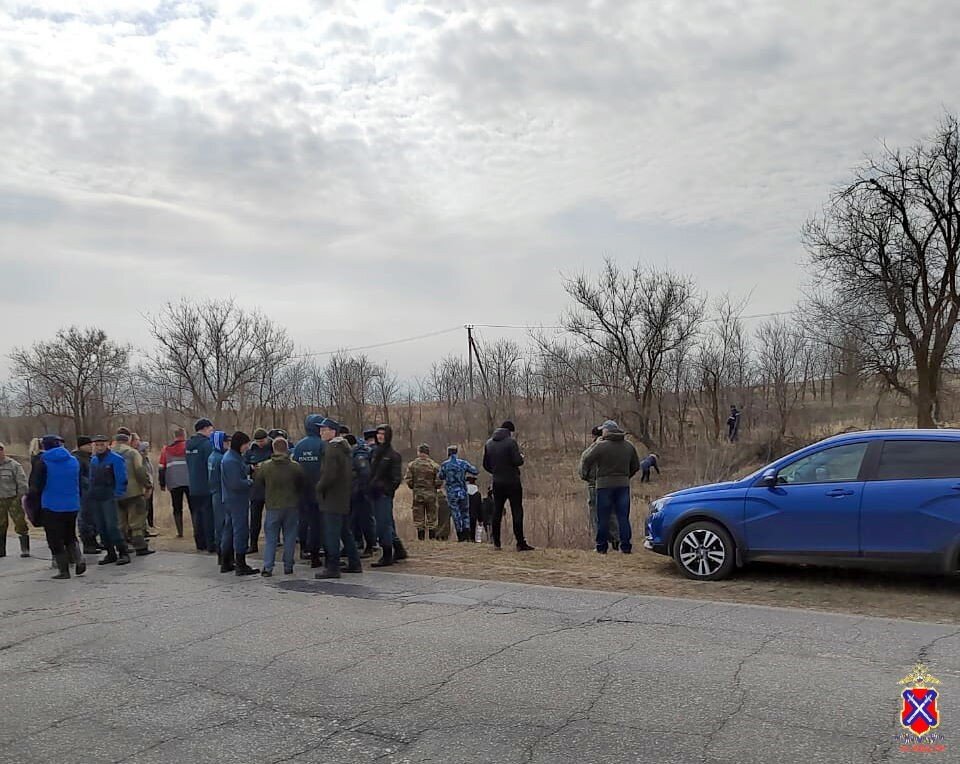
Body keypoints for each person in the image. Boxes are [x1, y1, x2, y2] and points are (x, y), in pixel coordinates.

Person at [579, 420, 639, 554]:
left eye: (603, 430)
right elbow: (636, 466)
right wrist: (625, 476)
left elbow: (586, 458)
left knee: (603, 517)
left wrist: (589, 476)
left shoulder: (601, 446)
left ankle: (601, 546)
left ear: (607, 431)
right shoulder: (629, 446)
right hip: (623, 485)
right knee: (623, 517)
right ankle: (626, 547)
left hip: (604, 486)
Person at [28, 435, 83, 579]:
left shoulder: (43, 462)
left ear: (45, 446)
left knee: (54, 538)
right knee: (70, 534)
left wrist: (31, 504)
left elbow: (35, 487)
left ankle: (63, 570)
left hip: (51, 505)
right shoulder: (73, 460)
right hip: (72, 504)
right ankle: (79, 559)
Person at [315, 419, 362, 579]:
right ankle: (355, 563)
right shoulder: (343, 448)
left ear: (333, 432)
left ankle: (333, 567)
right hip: (342, 495)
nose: (321, 432)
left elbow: (329, 475)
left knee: (332, 533)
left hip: (333, 497)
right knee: (344, 532)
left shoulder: (332, 450)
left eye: (324, 430)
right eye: (320, 430)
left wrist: (319, 487)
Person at [254, 437, 306, 577]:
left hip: (273, 505)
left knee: (271, 538)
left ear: (273, 448)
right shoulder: (295, 466)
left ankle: (268, 567)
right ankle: (288, 566)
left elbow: (258, 482)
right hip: (291, 505)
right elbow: (302, 483)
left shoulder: (265, 466)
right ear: (287, 448)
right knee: (289, 537)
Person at [483, 421, 534, 552]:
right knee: (517, 511)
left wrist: (495, 471)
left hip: (497, 482)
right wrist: (522, 457)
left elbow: (485, 464)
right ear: (510, 431)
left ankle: (496, 543)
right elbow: (517, 461)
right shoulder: (511, 443)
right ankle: (520, 543)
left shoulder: (489, 443)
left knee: (497, 511)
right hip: (512, 482)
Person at [87, 435, 131, 565]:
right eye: (97, 445)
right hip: (96, 496)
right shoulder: (94, 460)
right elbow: (91, 478)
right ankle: (110, 552)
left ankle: (123, 552)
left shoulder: (116, 459)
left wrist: (117, 494)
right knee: (101, 527)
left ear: (108, 445)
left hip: (109, 496)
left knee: (112, 526)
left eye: (102, 444)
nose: (99, 447)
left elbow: (121, 478)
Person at [220, 431, 258, 576]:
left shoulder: (234, 457)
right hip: (236, 500)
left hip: (231, 499)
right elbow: (236, 483)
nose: (247, 447)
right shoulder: (231, 460)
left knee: (229, 530)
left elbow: (239, 470)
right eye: (246, 444)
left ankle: (226, 562)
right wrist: (250, 482)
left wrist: (250, 468)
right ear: (240, 444)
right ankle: (240, 564)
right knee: (240, 530)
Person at [112, 430, 155, 556]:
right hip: (133, 492)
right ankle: (140, 546)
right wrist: (148, 485)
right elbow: (140, 471)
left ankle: (122, 547)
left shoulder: (109, 453)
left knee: (120, 522)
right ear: (128, 440)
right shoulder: (132, 453)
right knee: (136, 520)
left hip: (115, 493)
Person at [292, 415, 325, 568]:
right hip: (319, 490)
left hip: (301, 490)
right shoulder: (323, 445)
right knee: (318, 523)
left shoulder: (299, 446)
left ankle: (304, 548)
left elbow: (295, 467)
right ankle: (316, 553)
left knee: (304, 521)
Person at [369, 424, 404, 567]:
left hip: (384, 494)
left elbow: (396, 478)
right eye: (378, 433)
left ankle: (388, 554)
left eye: (383, 433)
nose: (380, 436)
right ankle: (399, 550)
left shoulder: (393, 455)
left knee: (383, 525)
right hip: (374, 493)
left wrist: (386, 490)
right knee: (385, 524)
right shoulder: (375, 452)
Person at [580, 426, 619, 551]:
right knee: (612, 513)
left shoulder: (593, 449)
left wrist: (588, 479)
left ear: (593, 436)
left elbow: (582, 468)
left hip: (595, 485)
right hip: (612, 485)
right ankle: (616, 540)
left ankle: (600, 544)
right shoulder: (614, 448)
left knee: (596, 515)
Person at [186, 418, 216, 552]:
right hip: (206, 485)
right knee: (208, 515)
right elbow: (211, 464)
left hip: (193, 485)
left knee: (197, 515)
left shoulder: (188, 444)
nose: (212, 432)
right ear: (204, 429)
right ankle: (211, 543)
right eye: (210, 429)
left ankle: (200, 542)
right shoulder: (207, 445)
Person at [438, 445, 479, 542]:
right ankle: (467, 534)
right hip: (463, 492)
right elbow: (475, 471)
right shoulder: (463, 463)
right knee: (465, 512)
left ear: (448, 453)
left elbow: (440, 476)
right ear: (456, 453)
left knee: (456, 513)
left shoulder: (445, 464)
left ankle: (460, 535)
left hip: (452, 492)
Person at [245, 427, 273, 553]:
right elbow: (243, 465)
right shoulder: (251, 451)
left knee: (272, 518)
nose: (260, 443)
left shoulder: (273, 448)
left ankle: (272, 542)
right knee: (255, 518)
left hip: (270, 487)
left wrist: (267, 464)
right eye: (258, 441)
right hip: (256, 488)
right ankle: (253, 543)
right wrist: (250, 467)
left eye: (262, 441)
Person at [405, 444, 441, 541]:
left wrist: (415, 487)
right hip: (431, 495)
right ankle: (432, 538)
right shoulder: (435, 466)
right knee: (432, 518)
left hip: (418, 495)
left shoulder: (412, 465)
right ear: (428, 453)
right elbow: (439, 482)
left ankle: (421, 539)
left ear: (419, 452)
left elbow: (408, 480)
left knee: (419, 518)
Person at [0, 441, 30, 558]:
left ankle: (25, 549)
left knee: (20, 523)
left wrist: (20, 497)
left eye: (1, 450)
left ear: (3, 451)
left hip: (13, 498)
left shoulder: (14, 465)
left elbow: (22, 482)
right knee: (1, 525)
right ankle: (1, 551)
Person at [159, 427, 190, 538]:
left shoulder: (166, 450)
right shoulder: (188, 447)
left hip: (174, 482)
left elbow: (161, 467)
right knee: (194, 507)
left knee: (177, 508)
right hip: (189, 481)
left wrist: (162, 483)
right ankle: (197, 530)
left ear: (174, 436)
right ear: (184, 435)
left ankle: (180, 532)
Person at [349, 432, 377, 556]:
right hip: (355, 493)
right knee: (354, 521)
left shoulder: (360, 455)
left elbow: (365, 474)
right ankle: (357, 544)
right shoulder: (356, 454)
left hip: (362, 494)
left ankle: (370, 546)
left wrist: (361, 491)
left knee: (366, 521)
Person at [71, 436, 99, 554]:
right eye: (88, 445)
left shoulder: (90, 458)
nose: (91, 447)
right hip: (83, 493)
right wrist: (90, 484)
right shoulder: (77, 458)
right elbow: (79, 477)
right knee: (85, 518)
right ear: (82, 446)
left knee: (94, 518)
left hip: (92, 492)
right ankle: (88, 544)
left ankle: (94, 540)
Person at [208, 431, 229, 562]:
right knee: (223, 525)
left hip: (215, 492)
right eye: (225, 442)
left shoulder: (212, 456)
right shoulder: (220, 459)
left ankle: (221, 552)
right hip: (221, 494)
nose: (227, 445)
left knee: (219, 524)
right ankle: (223, 554)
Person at [135, 438, 156, 533]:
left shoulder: (147, 459)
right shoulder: (141, 459)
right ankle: (144, 528)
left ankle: (148, 525)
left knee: (148, 506)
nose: (148, 450)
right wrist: (147, 484)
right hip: (144, 486)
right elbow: (143, 472)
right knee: (144, 507)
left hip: (150, 484)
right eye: (146, 448)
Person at [467, 474, 485, 543]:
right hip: (474, 514)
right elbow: (479, 507)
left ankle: (466, 539)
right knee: (473, 528)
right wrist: (480, 519)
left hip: (465, 514)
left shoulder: (464, 492)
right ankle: (472, 539)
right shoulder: (477, 494)